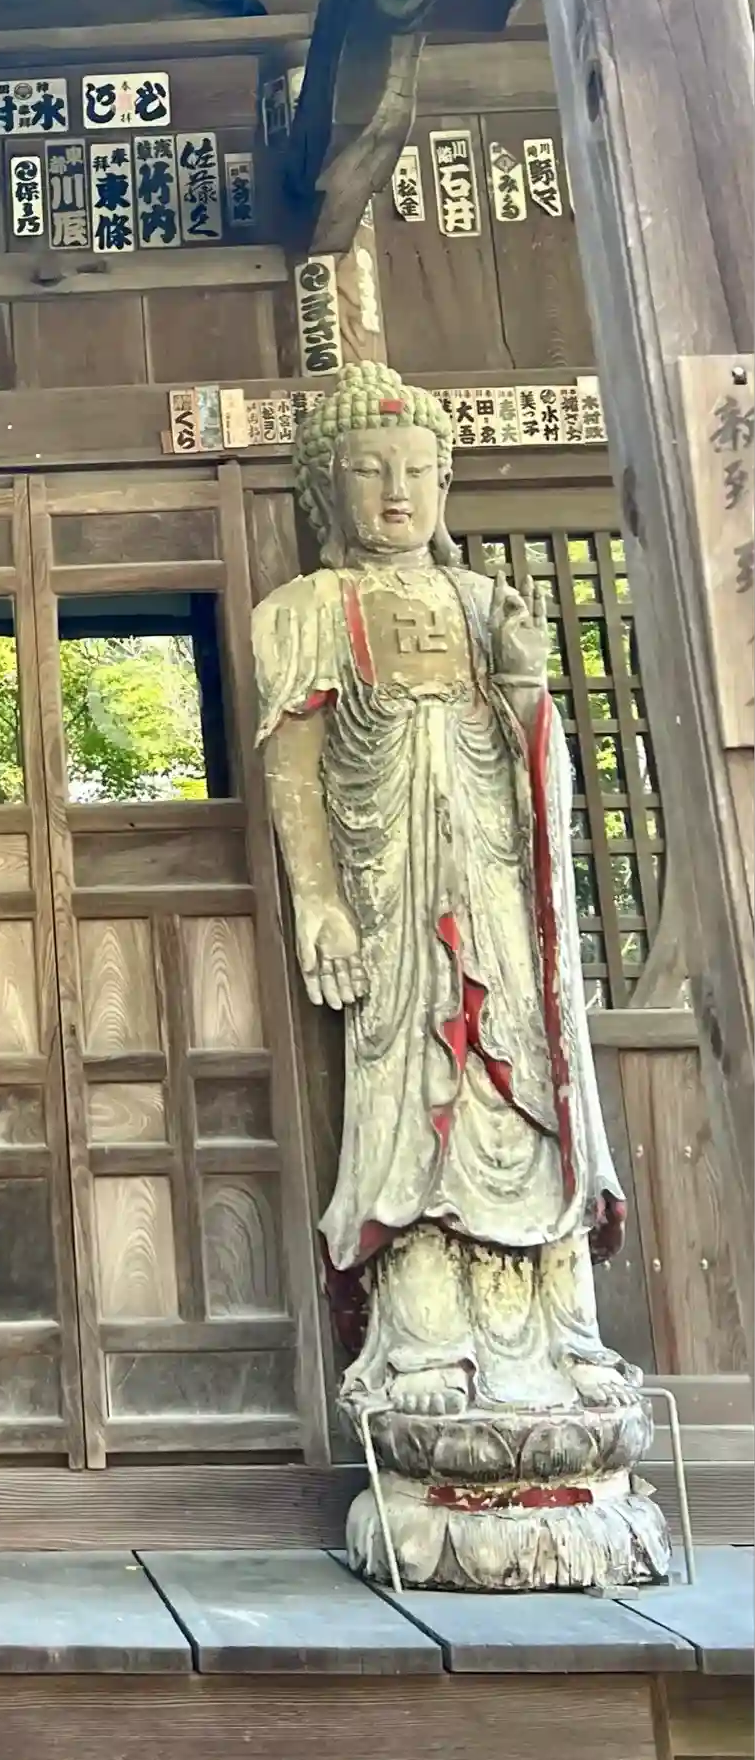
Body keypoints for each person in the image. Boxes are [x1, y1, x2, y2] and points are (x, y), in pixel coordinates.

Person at [252, 362, 636, 1421]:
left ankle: (563, 1326)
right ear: (327, 489)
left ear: (443, 482)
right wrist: (317, 900)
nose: (397, 493)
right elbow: (294, 769)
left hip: (497, 891)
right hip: (393, 895)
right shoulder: (307, 609)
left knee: (533, 1081)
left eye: (417, 470)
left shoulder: (482, 604)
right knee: (410, 1094)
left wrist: (522, 681)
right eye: (369, 470)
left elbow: (537, 766)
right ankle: (424, 1333)